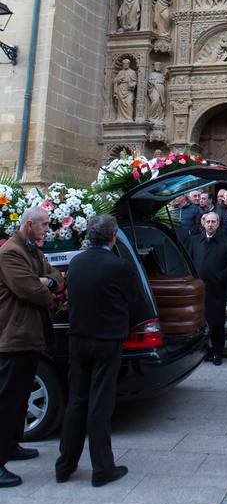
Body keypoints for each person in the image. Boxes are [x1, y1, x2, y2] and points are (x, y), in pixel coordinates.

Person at [55, 214, 138, 487]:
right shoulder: (118, 266)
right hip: (106, 340)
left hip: (78, 338)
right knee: (100, 403)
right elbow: (133, 298)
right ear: (113, 237)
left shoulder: (77, 263)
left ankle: (65, 465)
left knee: (76, 401)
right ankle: (102, 468)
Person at [0, 207, 62, 488]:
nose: (47, 229)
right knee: (7, 402)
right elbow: (30, 290)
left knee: (20, 398)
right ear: (28, 225)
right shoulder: (11, 253)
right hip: (14, 337)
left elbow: (56, 276)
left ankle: (12, 446)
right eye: (44, 224)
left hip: (29, 336)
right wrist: (44, 284)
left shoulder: (32, 250)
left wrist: (47, 280)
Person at [186, 211, 227, 365]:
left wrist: (220, 277)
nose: (210, 224)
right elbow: (189, 263)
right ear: (203, 223)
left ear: (218, 224)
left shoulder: (226, 242)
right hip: (199, 291)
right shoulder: (194, 241)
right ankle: (203, 351)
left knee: (217, 323)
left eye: (213, 222)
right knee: (200, 322)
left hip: (217, 289)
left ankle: (218, 351)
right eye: (208, 222)